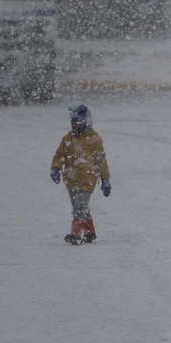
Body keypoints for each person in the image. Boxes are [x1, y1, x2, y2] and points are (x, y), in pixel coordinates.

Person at [50, 104, 112, 244]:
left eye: (79, 124)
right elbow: (60, 155)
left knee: (80, 207)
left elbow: (101, 161)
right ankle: (90, 232)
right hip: (71, 179)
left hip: (87, 179)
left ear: (86, 123)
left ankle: (76, 235)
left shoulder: (94, 139)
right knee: (78, 207)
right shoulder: (68, 139)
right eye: (74, 124)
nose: (76, 127)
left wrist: (105, 179)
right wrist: (55, 167)